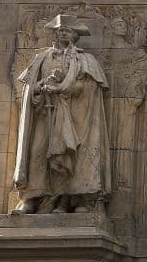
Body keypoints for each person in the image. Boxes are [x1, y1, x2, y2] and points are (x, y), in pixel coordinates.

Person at [13, 14, 111, 215]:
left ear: (75, 36)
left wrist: (63, 88)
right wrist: (44, 85)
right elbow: (29, 88)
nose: (63, 33)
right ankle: (31, 199)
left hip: (74, 117)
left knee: (72, 156)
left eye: (67, 30)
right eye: (60, 30)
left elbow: (90, 89)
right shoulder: (42, 58)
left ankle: (68, 201)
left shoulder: (85, 60)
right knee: (37, 152)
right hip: (44, 114)